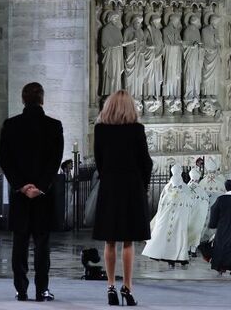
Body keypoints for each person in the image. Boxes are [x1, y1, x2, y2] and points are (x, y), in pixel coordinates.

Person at [0, 82, 64, 302]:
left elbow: (5, 160)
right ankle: (42, 289)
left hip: (20, 194)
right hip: (43, 196)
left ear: (23, 99)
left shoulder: (11, 125)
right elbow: (55, 161)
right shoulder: (54, 126)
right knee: (42, 245)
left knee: (19, 243)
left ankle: (21, 289)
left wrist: (21, 185)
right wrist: (41, 187)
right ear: (42, 99)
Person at [92, 90, 153, 306]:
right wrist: (142, 185)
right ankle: (127, 288)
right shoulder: (137, 130)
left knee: (110, 241)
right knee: (128, 241)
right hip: (131, 188)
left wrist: (108, 176)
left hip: (109, 187)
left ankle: (110, 287)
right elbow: (146, 162)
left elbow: (98, 160)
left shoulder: (100, 130)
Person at [142, 165, 192, 268]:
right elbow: (190, 202)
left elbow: (161, 202)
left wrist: (160, 214)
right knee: (178, 235)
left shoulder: (168, 186)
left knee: (167, 233)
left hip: (169, 213)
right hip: (178, 214)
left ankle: (168, 256)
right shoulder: (185, 187)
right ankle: (177, 257)